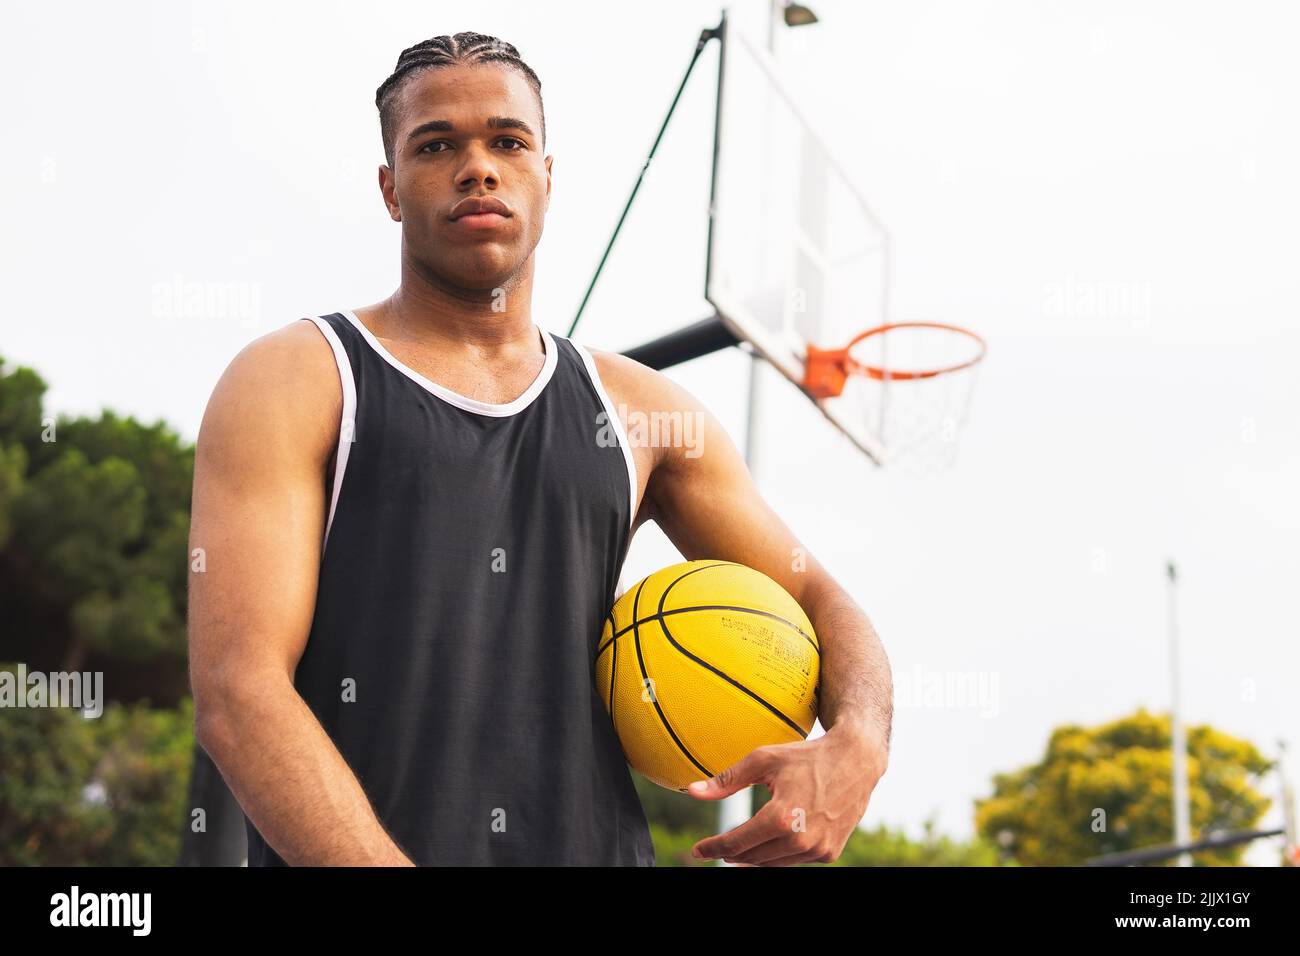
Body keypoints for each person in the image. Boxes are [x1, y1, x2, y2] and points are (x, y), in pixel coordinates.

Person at [186, 31, 892, 867]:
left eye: (507, 141)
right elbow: (240, 689)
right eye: (436, 144)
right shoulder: (299, 378)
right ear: (390, 188)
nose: (477, 167)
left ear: (547, 177)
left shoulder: (643, 414)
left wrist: (860, 742)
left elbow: (821, 598)